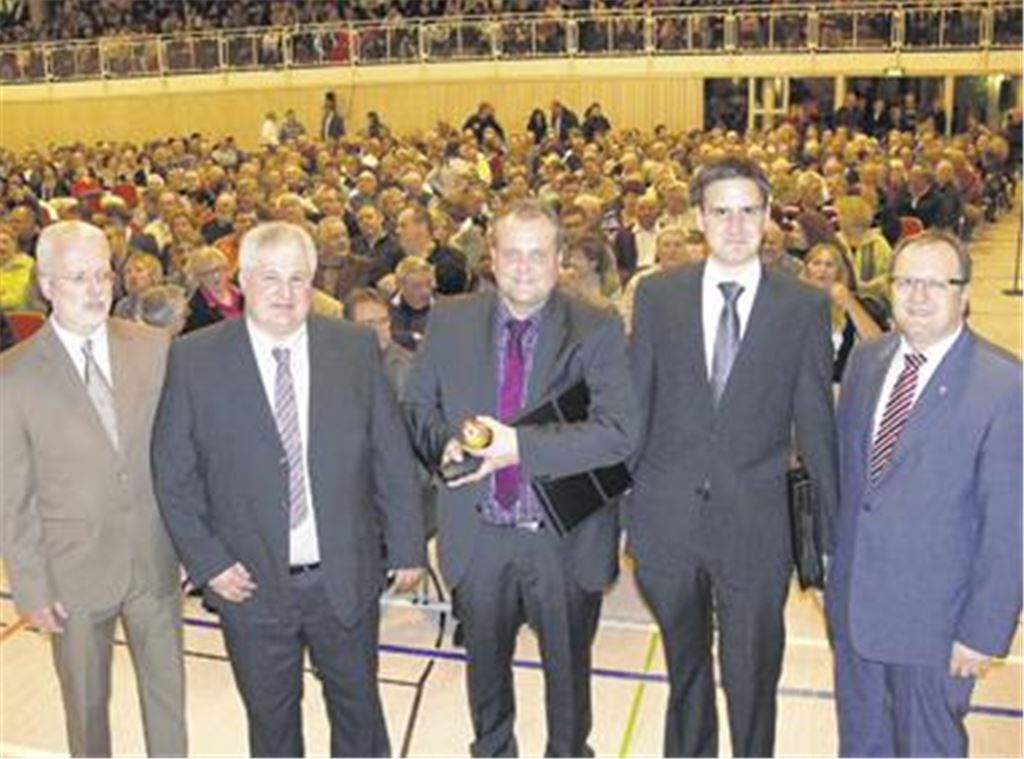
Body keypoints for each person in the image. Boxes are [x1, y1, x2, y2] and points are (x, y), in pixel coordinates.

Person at [152, 221, 427, 757]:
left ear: (313, 282)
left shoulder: (350, 348)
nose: (284, 293)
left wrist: (408, 542)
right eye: (270, 278)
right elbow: (173, 474)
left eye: (297, 279)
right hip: (248, 582)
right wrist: (208, 562)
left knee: (359, 713)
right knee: (272, 723)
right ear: (243, 280)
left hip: (343, 574)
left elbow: (389, 453)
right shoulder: (195, 358)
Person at [403, 199, 639, 757]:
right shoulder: (451, 319)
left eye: (539, 254)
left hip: (562, 539)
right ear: (492, 258)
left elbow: (620, 434)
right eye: (513, 253)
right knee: (484, 678)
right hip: (479, 532)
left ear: (561, 259)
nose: (525, 266)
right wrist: (447, 443)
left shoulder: (597, 326)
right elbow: (416, 405)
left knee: (568, 683)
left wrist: (519, 447)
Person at [628, 156, 839, 757]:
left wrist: (829, 538)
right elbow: (637, 411)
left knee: (751, 681)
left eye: (750, 210)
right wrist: (626, 516)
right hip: (669, 525)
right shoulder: (659, 297)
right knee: (685, 673)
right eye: (722, 210)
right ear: (699, 217)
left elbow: (816, 425)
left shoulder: (801, 306)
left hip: (756, 529)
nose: (737, 224)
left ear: (769, 215)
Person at [826, 229, 1022, 757]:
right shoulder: (868, 362)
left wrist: (984, 631)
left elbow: (1010, 527)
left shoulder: (1005, 387)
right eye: (907, 281)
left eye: (936, 284)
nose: (917, 296)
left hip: (934, 626)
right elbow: (855, 487)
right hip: (856, 613)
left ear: (965, 294)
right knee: (862, 746)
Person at [0, 221, 186, 757]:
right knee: (85, 707)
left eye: (102, 274)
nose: (95, 289)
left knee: (168, 699)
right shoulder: (13, 377)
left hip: (154, 560)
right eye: (78, 277)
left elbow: (181, 457)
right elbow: (11, 497)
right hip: (71, 575)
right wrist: (30, 587)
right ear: (48, 284)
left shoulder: (155, 348)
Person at [800, 241, 885, 384]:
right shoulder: (792, 301)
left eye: (829, 265)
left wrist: (849, 303)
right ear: (807, 268)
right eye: (816, 263)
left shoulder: (853, 303)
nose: (822, 270)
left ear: (839, 272)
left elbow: (878, 343)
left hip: (838, 384)